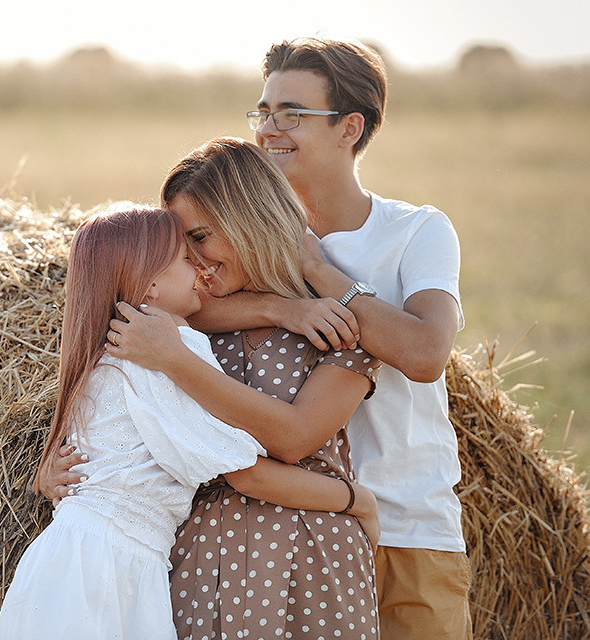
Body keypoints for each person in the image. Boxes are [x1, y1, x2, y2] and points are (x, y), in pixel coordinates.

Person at [110, 38, 469, 639]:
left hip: (406, 521)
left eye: (292, 114)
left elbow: (426, 353)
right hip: (286, 517)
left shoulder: (415, 232)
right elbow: (191, 313)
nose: (269, 129)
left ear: (349, 128)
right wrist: (281, 306)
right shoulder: (237, 241)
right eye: (264, 111)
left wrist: (322, 273)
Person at [42, 140, 384, 639]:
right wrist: (57, 469)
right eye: (180, 250)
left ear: (250, 219)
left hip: (316, 554)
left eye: (200, 237)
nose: (193, 262)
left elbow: (294, 439)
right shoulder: (174, 320)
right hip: (198, 561)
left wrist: (356, 501)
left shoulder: (334, 322)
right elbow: (96, 385)